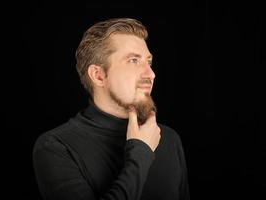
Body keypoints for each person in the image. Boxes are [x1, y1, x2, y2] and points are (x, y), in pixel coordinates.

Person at [33, 18, 190, 200]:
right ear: (98, 76)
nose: (151, 74)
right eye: (133, 61)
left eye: (149, 62)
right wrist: (141, 153)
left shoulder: (168, 138)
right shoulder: (57, 147)